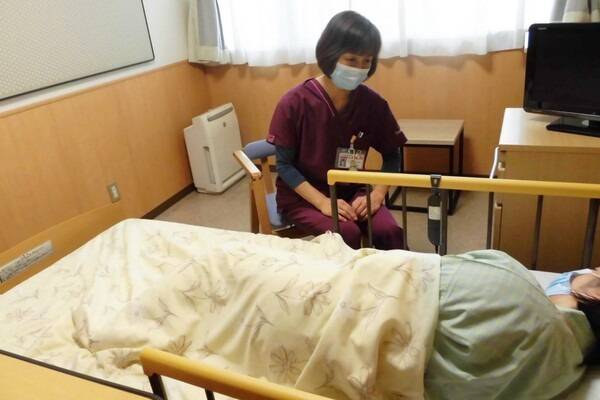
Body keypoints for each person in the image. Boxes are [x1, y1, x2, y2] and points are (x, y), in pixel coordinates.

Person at [267, 11, 406, 250]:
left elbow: (393, 154)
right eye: (351, 60)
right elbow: (284, 165)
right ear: (330, 54)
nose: (359, 69)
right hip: (304, 195)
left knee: (389, 232)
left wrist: (377, 194)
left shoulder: (373, 104)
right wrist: (322, 202)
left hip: (353, 188)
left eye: (366, 61)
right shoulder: (294, 103)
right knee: (347, 234)